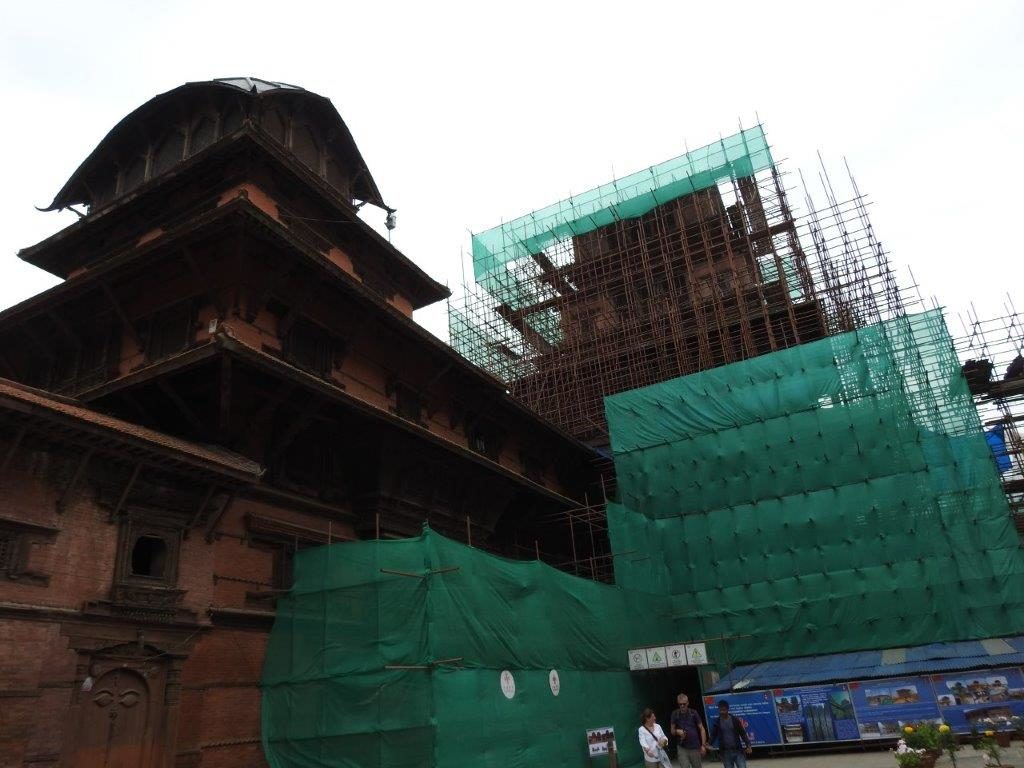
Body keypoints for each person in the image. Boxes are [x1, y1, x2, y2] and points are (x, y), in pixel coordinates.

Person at [709, 700, 752, 768]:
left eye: (724, 710)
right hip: (725, 752)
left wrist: (748, 745)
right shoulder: (717, 722)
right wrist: (709, 744)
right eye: (720, 710)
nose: (722, 712)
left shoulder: (735, 720)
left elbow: (743, 733)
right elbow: (713, 735)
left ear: (728, 709)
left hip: (738, 751)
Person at [670, 693, 708, 767]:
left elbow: (702, 729)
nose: (682, 706)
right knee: (685, 766)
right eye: (680, 704)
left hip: (694, 746)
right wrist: (677, 731)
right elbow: (672, 731)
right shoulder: (675, 714)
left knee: (697, 766)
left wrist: (703, 745)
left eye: (684, 704)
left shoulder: (693, 713)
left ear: (688, 703)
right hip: (682, 747)